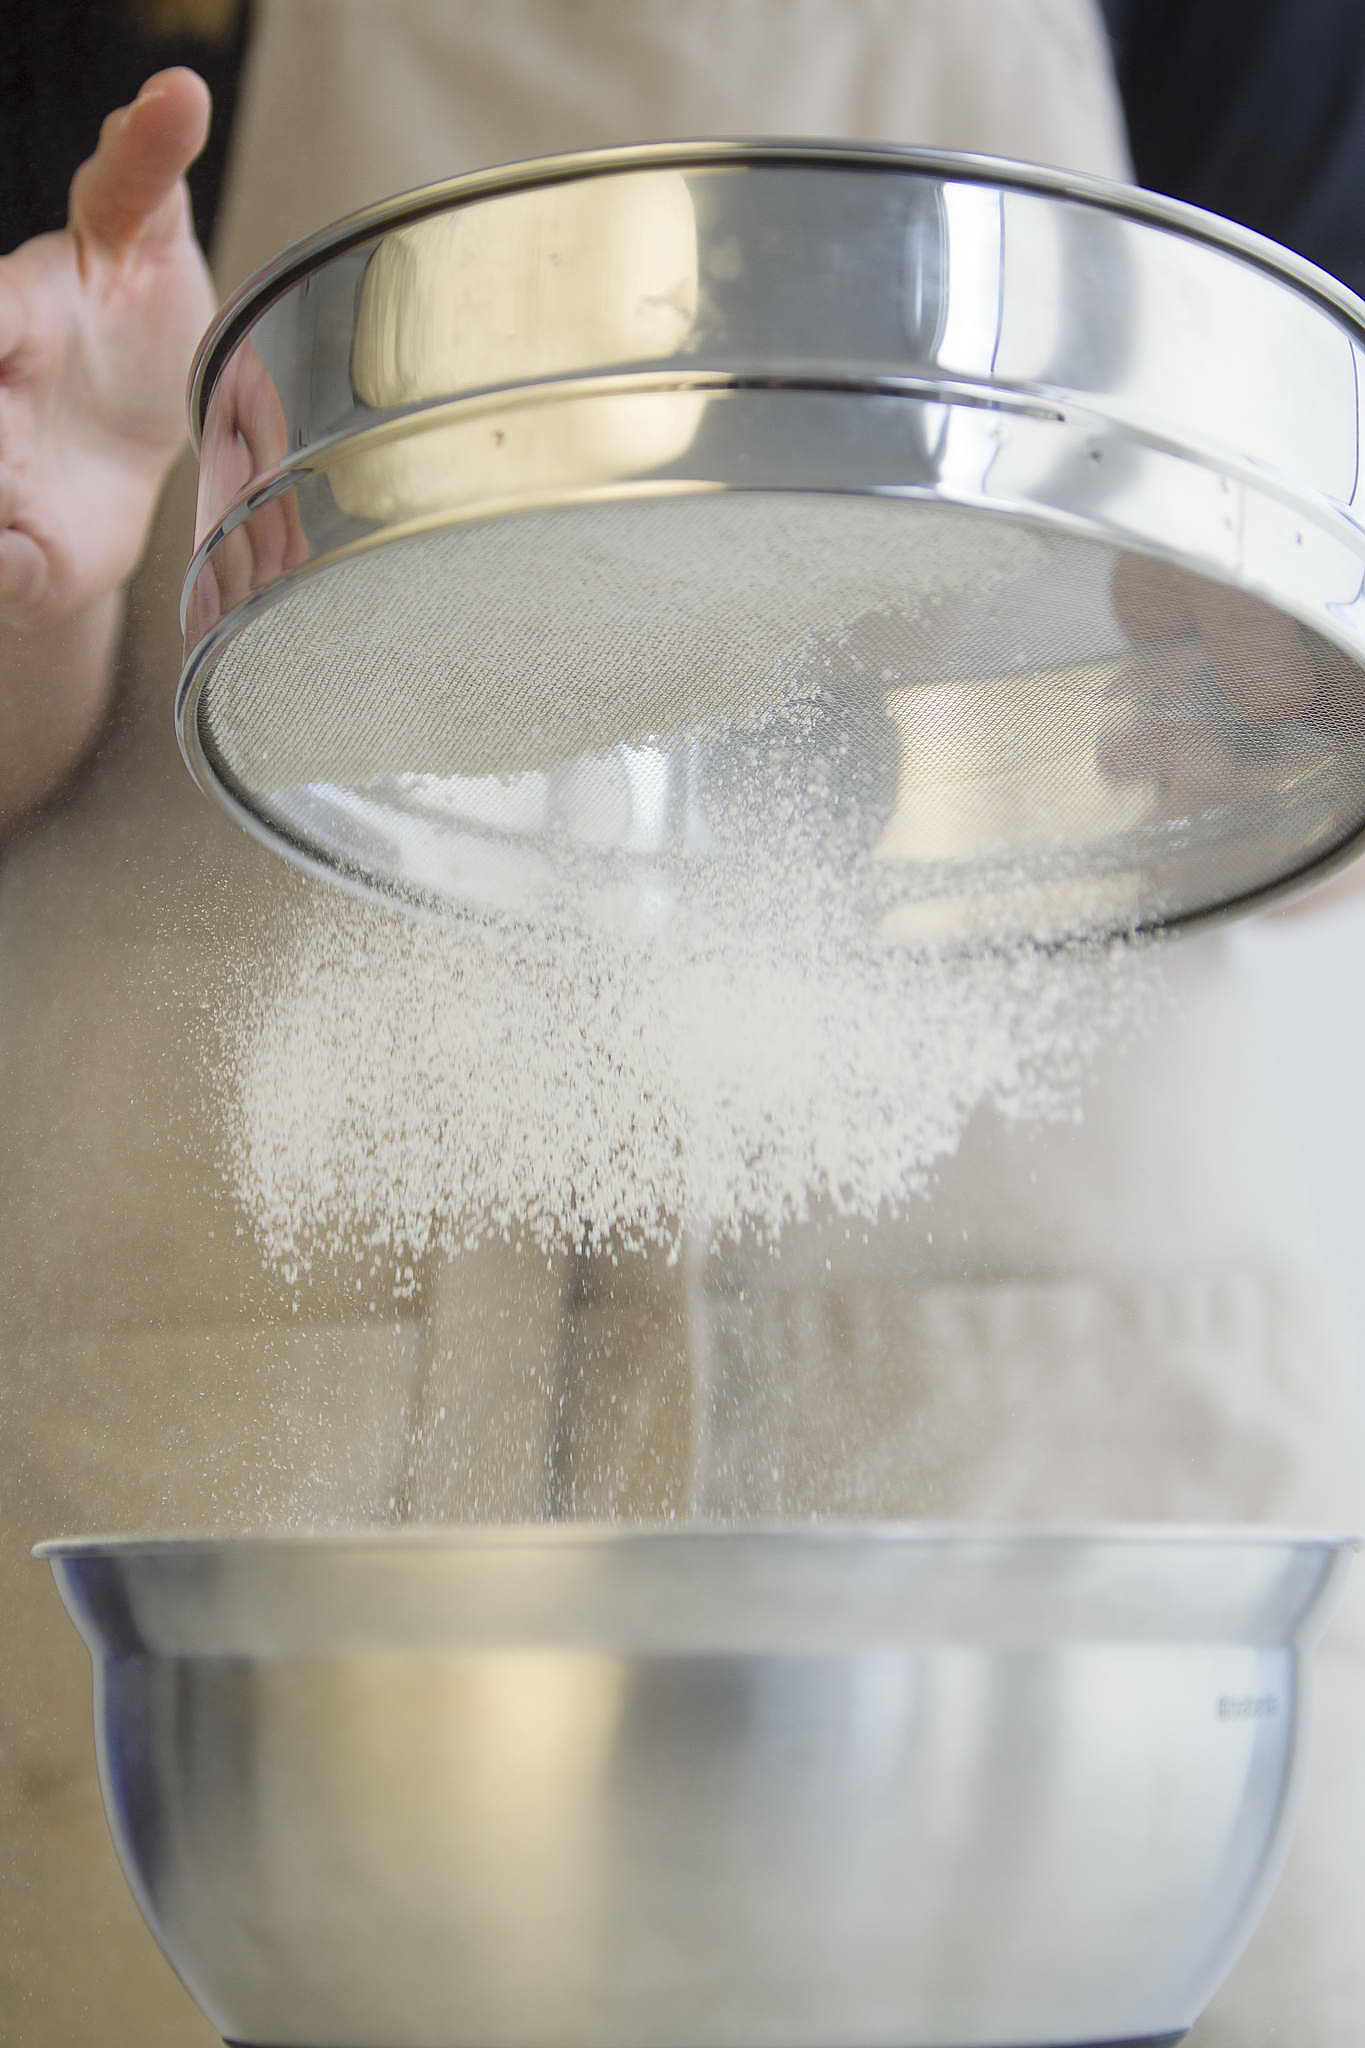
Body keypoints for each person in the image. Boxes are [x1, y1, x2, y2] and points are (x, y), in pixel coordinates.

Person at [1, 6, 1360, 2046]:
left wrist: (1301, 642)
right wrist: (35, 581)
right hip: (264, 1434)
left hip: (1047, 1433)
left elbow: (1308, 652)